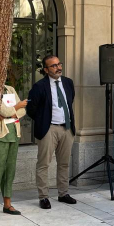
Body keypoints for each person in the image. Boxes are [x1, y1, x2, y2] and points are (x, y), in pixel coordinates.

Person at [26, 55, 78, 209]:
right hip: (49, 129)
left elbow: (70, 101)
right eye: (54, 66)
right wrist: (43, 121)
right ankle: (43, 197)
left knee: (64, 163)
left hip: (67, 128)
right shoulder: (39, 86)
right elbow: (31, 109)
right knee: (43, 164)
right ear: (46, 70)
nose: (58, 68)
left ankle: (63, 193)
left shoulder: (68, 83)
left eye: (59, 64)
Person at [0, 84, 28, 219]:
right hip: (0, 135)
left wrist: (10, 111)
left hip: (14, 133)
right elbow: (5, 111)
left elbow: (23, 112)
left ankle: (7, 203)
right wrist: (17, 106)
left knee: (10, 169)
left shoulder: (10, 88)